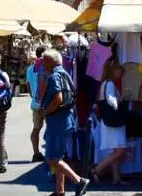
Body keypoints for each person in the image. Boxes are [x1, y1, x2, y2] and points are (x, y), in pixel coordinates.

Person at [41, 49, 90, 196]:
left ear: (50, 61)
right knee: (58, 157)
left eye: (44, 60)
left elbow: (58, 99)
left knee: (52, 159)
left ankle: (79, 181)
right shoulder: (65, 73)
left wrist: (46, 111)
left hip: (57, 121)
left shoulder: (54, 77)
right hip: (66, 120)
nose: (42, 64)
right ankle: (59, 189)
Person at [91, 57, 127, 186]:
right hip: (113, 121)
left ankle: (116, 178)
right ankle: (96, 170)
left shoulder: (105, 83)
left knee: (116, 150)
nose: (121, 72)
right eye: (119, 70)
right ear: (113, 70)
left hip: (109, 121)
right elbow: (111, 99)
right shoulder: (110, 84)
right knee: (119, 151)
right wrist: (119, 101)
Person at [27, 46, 46, 162]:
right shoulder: (47, 69)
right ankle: (49, 153)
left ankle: (36, 153)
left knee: (36, 129)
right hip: (47, 103)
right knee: (49, 129)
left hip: (35, 103)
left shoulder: (30, 69)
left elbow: (28, 86)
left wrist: (34, 96)